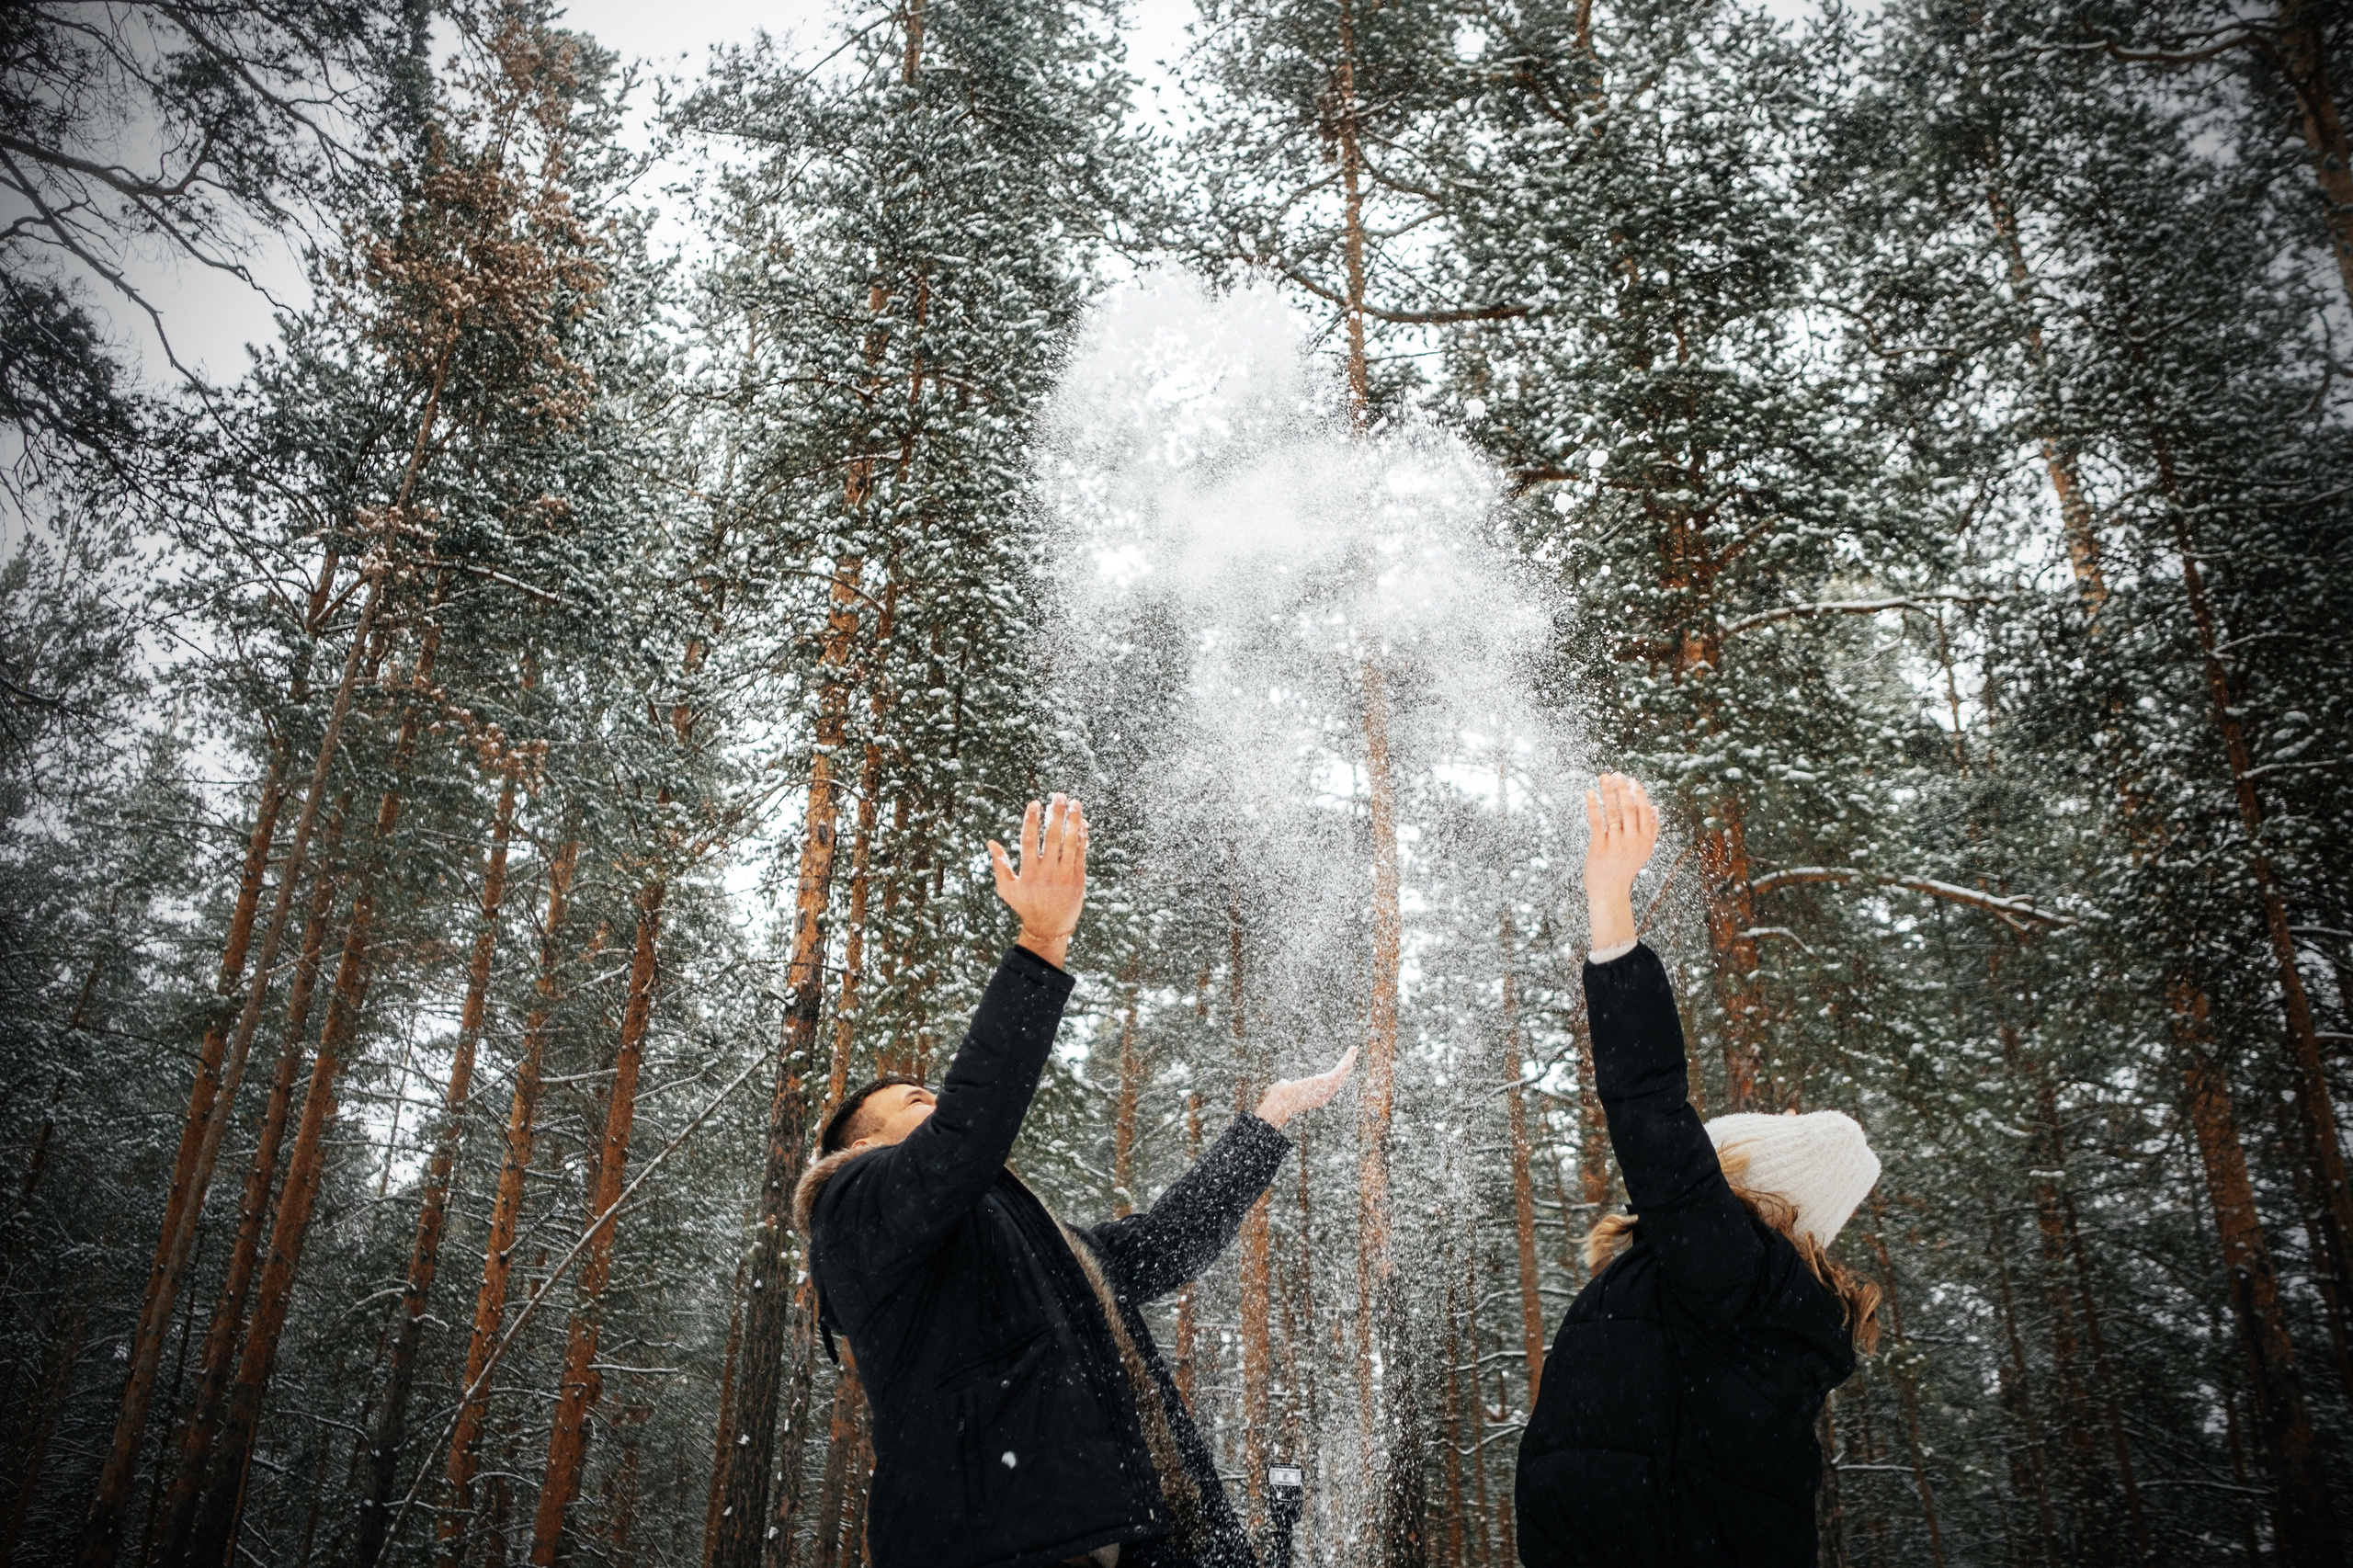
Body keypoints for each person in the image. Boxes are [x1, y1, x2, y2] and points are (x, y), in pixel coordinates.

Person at [793, 793, 1357, 1568]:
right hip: (1003, 1543)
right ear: (860, 1147)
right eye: (915, 1101)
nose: (937, 1104)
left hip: (1129, 1534)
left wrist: (1265, 1122)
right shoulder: (853, 1209)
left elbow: (1160, 1248)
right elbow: (966, 1134)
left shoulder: (1029, 1246)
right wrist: (1041, 939)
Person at [1516, 773, 1884, 1568]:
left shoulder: (1733, 1278)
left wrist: (1611, 909)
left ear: (1747, 1187)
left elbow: (1649, 1106)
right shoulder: (1734, 1299)